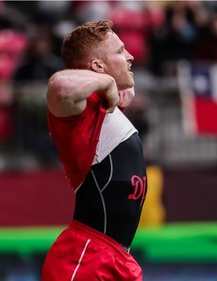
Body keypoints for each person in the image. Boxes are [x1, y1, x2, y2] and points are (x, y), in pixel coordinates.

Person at [42, 20, 147, 281]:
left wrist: (118, 89)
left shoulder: (100, 107)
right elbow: (59, 86)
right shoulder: (77, 115)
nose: (130, 56)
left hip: (117, 259)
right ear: (98, 67)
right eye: (121, 51)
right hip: (85, 258)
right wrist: (108, 83)